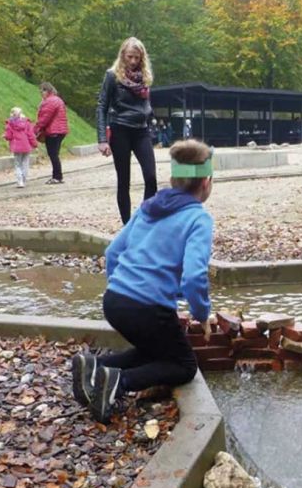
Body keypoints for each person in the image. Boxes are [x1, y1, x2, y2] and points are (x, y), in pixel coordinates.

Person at [71, 139, 214, 423]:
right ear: (207, 182)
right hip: (147, 309)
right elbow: (194, 276)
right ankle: (118, 383)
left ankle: (95, 365)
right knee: (184, 365)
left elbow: (112, 252)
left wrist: (121, 287)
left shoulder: (149, 207)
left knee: (152, 350)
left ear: (172, 179)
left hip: (114, 302)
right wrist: (202, 314)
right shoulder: (199, 219)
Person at [96, 37, 158, 224]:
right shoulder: (112, 75)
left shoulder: (145, 77)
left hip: (141, 130)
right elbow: (102, 106)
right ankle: (127, 225)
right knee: (124, 181)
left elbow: (146, 104)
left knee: (151, 177)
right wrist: (102, 139)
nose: (133, 61)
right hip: (120, 129)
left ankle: (144, 221)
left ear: (142, 58)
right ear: (123, 55)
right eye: (130, 57)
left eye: (137, 58)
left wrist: (151, 122)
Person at [35, 82, 70, 184]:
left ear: (47, 90)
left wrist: (36, 129)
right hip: (61, 130)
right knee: (55, 154)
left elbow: (45, 118)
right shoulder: (58, 100)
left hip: (53, 131)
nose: (41, 93)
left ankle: (57, 177)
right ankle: (58, 176)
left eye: (42, 91)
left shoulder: (50, 101)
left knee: (53, 154)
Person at [4, 107, 37, 188]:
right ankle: (24, 179)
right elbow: (31, 135)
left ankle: (20, 181)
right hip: (26, 146)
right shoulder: (27, 123)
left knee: (18, 164)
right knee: (25, 163)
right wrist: (34, 144)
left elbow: (8, 136)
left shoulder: (10, 124)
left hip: (16, 147)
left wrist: (5, 136)